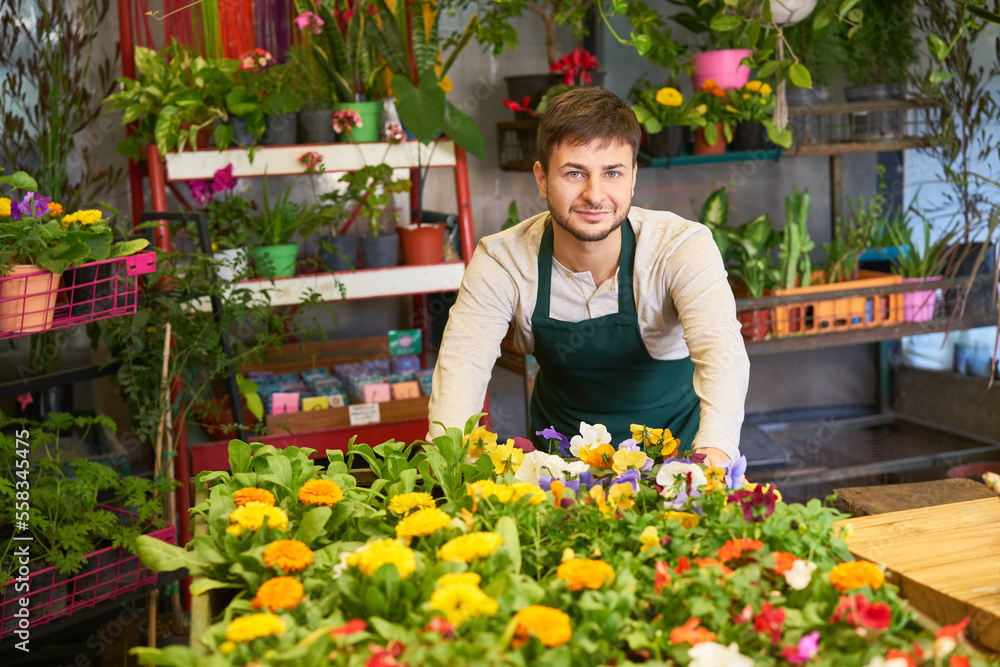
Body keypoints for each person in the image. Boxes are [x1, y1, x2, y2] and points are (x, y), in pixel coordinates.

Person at [427, 88, 749, 466]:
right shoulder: (503, 261)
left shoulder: (679, 248)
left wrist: (713, 457)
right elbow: (461, 369)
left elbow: (722, 355)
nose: (594, 195)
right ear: (542, 178)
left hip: (675, 463)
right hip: (558, 469)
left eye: (612, 173)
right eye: (575, 173)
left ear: (632, 178)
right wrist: (448, 465)